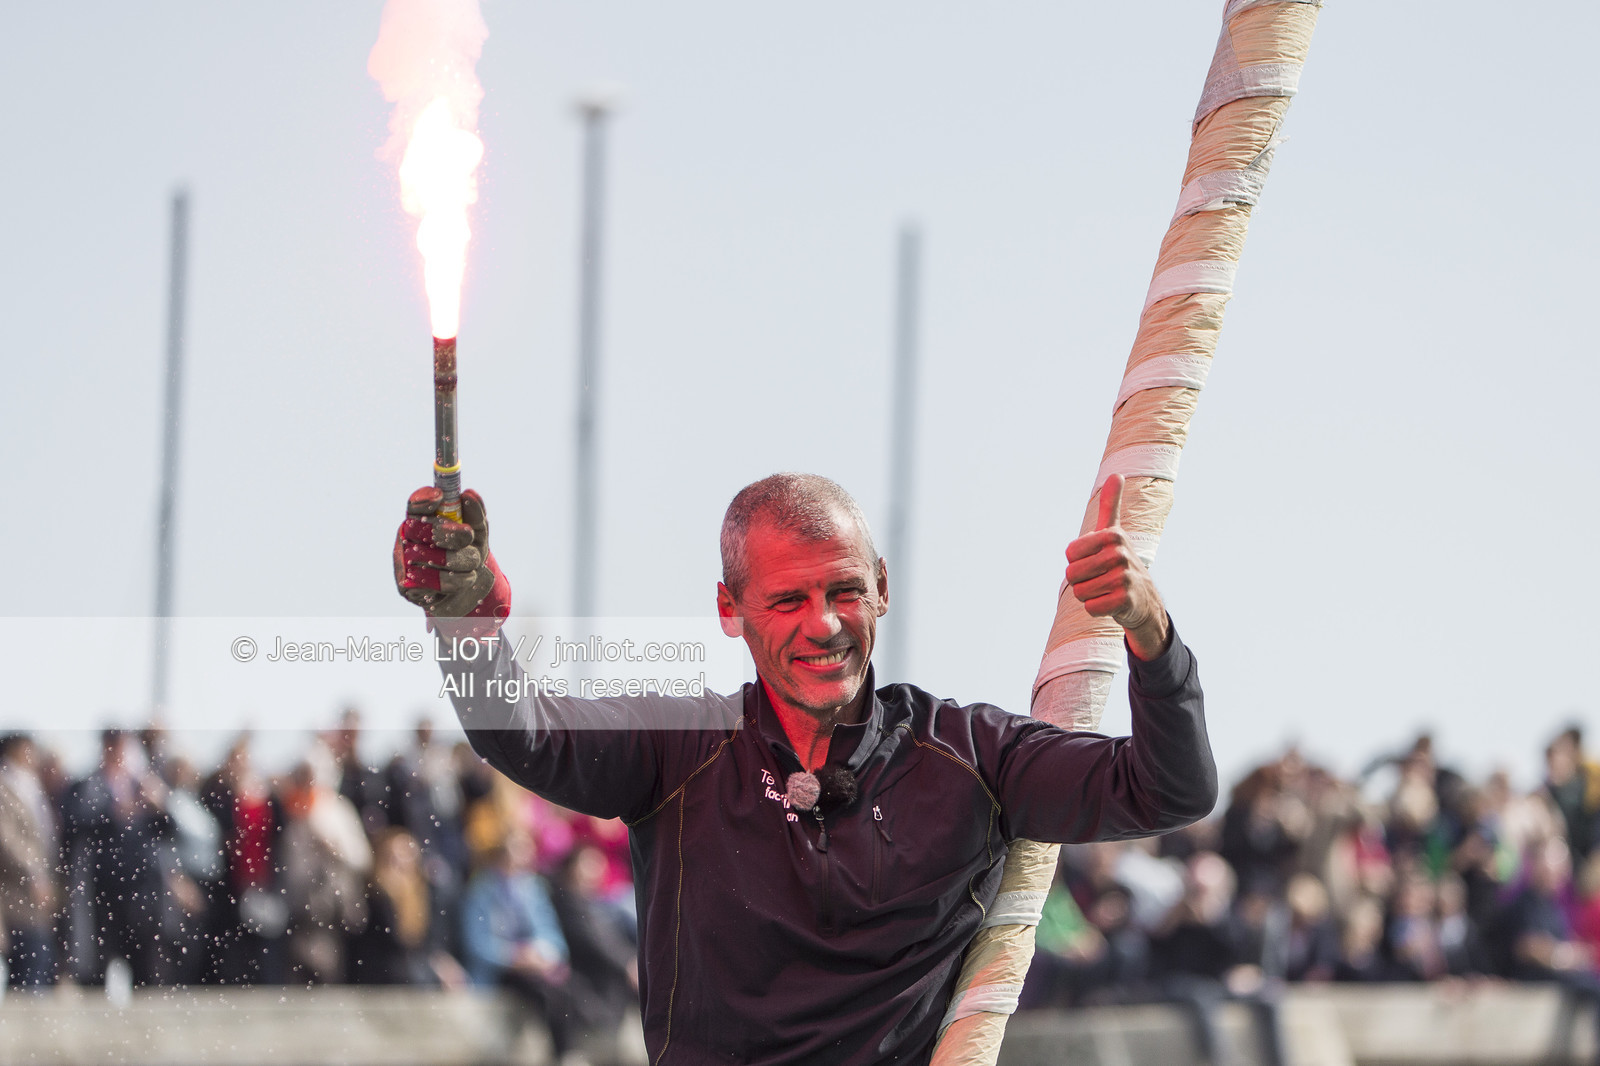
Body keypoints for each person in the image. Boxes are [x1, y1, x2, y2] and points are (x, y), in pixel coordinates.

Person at [393, 470, 1217, 1063]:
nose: (822, 624)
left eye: (844, 591)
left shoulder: (969, 756)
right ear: (730, 610)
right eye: (787, 600)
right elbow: (524, 732)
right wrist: (465, 624)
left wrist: (1151, 635)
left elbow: (1169, 789)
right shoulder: (679, 750)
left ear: (882, 587)